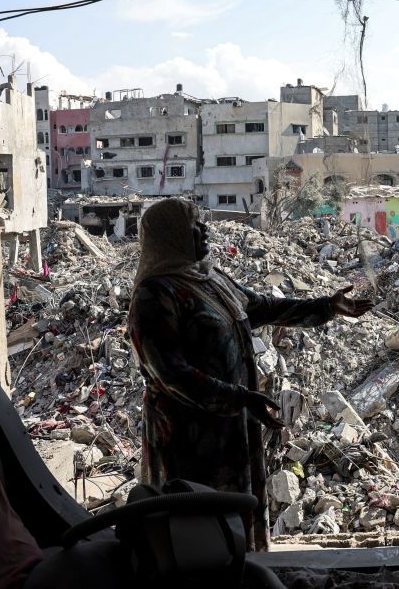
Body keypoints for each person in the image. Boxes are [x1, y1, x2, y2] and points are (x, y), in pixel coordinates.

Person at [128, 198, 374, 551]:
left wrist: (326, 306)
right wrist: (240, 398)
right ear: (173, 235)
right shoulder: (154, 296)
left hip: (230, 425)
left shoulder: (209, 280)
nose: (206, 230)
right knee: (194, 525)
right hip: (188, 436)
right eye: (195, 225)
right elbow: (171, 375)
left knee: (231, 521)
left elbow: (262, 307)